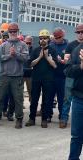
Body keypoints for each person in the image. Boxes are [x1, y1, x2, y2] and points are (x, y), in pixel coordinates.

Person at [0, 23, 29, 129]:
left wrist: (16, 54)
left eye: (14, 31)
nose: (13, 33)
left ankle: (19, 119)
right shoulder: (3, 45)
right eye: (11, 31)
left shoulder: (23, 45)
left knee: (18, 99)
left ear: (18, 32)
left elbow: (26, 58)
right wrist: (10, 55)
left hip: (17, 77)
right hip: (4, 76)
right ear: (8, 32)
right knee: (0, 97)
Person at [25, 29, 57, 128]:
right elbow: (30, 64)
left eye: (45, 38)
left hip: (48, 79)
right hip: (36, 78)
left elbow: (55, 65)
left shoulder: (52, 50)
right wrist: (39, 57)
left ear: (48, 39)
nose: (43, 40)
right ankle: (32, 118)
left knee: (47, 100)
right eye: (41, 38)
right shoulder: (35, 50)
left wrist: (47, 57)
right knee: (34, 99)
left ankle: (44, 119)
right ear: (39, 39)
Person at [64, 27, 83, 159]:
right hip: (79, 99)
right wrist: (81, 66)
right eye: (79, 32)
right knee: (76, 136)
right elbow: (68, 71)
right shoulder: (76, 50)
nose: (81, 35)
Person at [60, 24, 83, 128]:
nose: (80, 34)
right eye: (78, 32)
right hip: (72, 76)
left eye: (82, 32)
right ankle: (64, 118)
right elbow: (67, 63)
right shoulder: (71, 45)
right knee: (67, 97)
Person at [23, 36, 33, 102]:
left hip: (30, 73)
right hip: (22, 72)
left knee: (31, 91)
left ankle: (32, 105)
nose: (28, 44)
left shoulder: (34, 50)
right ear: (24, 42)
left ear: (32, 42)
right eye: (27, 43)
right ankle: (21, 104)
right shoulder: (21, 49)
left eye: (29, 43)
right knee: (20, 90)